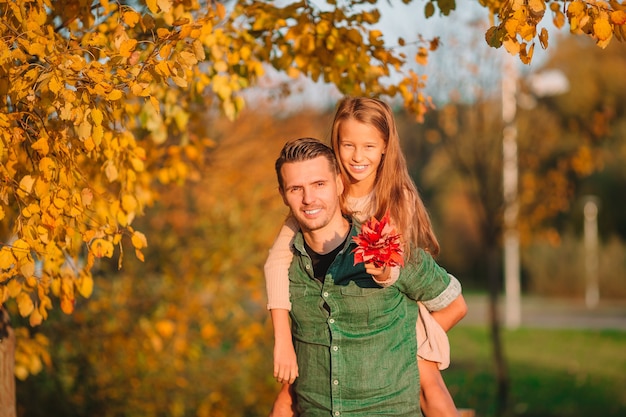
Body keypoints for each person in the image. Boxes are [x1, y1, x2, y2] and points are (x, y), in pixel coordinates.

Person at [266, 97, 467, 416]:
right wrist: (283, 341)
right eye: (348, 145)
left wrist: (403, 346)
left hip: (400, 296)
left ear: (386, 147)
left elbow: (397, 263)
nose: (357, 157)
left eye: (369, 146)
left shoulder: (398, 199)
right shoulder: (325, 194)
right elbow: (276, 261)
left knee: (427, 379)